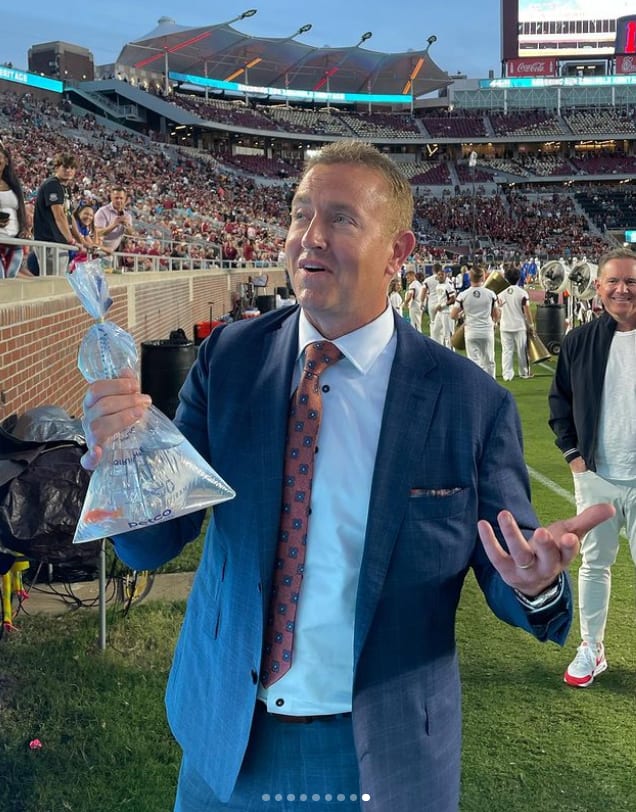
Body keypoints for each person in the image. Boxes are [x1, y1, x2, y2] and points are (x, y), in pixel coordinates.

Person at [81, 140, 612, 812]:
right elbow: (152, 543)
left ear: (398, 253)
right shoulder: (229, 360)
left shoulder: (470, 402)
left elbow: (511, 562)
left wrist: (535, 584)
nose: (311, 236)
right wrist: (130, 465)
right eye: (301, 214)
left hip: (383, 759)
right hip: (227, 743)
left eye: (341, 219)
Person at [548, 246, 636, 688]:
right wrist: (575, 458)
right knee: (594, 564)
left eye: (632, 282)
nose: (623, 289)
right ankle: (592, 648)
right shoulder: (581, 341)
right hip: (597, 476)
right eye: (614, 281)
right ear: (598, 287)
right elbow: (558, 401)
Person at [33, 152, 85, 274]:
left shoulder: (65, 187)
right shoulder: (52, 184)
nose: (69, 171)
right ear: (57, 167)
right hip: (49, 240)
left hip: (59, 241)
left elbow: (68, 215)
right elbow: (59, 215)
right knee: (50, 282)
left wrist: (80, 240)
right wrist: (71, 240)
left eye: (72, 168)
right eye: (65, 167)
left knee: (59, 280)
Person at [450, 266, 500, 378]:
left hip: (471, 331)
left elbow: (453, 315)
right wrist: (495, 321)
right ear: (483, 277)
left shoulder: (463, 295)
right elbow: (496, 315)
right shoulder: (491, 294)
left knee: (474, 363)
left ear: (470, 277)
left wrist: (462, 315)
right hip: (487, 331)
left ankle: (477, 386)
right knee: (489, 362)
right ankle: (492, 387)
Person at [498, 264, 533, 381]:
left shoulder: (500, 293)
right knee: (522, 351)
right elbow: (527, 310)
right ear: (518, 278)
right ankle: (523, 372)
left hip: (505, 325)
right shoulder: (522, 293)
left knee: (507, 351)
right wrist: (531, 325)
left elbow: (498, 309)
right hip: (519, 326)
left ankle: (507, 375)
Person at [0, 144, 29, 279]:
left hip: (14, 242)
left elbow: (20, 210)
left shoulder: (13, 184)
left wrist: (24, 228)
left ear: (6, 160)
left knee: (11, 281)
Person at [94, 186, 134, 254]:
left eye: (121, 198)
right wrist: (114, 225)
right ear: (111, 198)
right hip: (98, 250)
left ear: (125, 199)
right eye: (116, 198)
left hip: (112, 251)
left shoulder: (127, 215)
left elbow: (131, 234)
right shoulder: (102, 211)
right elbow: (98, 233)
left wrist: (127, 225)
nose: (118, 200)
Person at [428, 265, 455, 347]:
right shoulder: (438, 286)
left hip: (447, 312)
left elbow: (453, 299)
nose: (440, 276)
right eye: (439, 275)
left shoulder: (448, 286)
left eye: (442, 275)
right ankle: (438, 348)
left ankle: (450, 352)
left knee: (447, 334)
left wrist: (442, 305)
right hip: (440, 312)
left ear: (445, 276)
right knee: (435, 330)